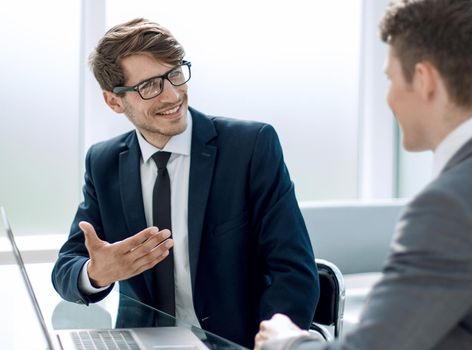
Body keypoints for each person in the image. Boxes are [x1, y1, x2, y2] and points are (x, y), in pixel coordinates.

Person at [51, 18, 319, 348]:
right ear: (114, 101)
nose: (173, 95)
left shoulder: (250, 148)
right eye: (149, 86)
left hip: (231, 343)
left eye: (175, 73)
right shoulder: (104, 163)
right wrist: (96, 273)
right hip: (141, 342)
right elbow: (65, 269)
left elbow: (294, 275)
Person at [254, 0, 472, 349]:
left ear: (423, 78)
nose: (388, 98)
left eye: (389, 78)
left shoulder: (447, 207)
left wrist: (287, 341)